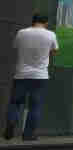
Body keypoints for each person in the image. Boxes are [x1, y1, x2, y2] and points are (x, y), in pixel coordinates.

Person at [6, 13, 58, 141]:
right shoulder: (50, 34)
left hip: (21, 74)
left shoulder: (21, 33)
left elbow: (16, 47)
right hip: (40, 76)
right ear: (46, 22)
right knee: (35, 106)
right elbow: (54, 50)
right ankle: (28, 134)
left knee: (15, 103)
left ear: (33, 21)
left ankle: (11, 123)